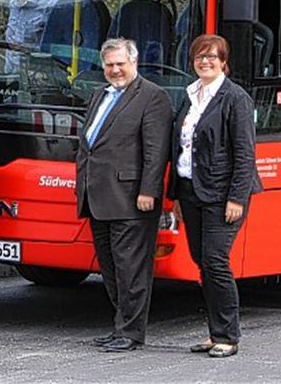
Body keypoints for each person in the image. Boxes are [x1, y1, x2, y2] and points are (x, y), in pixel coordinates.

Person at [168, 34, 262, 358]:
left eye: (212, 57)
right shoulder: (189, 96)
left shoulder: (236, 98)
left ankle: (228, 336)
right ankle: (214, 332)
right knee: (202, 262)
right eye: (199, 57)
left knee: (215, 261)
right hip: (190, 191)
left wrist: (237, 197)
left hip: (223, 195)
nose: (205, 62)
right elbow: (178, 148)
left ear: (224, 62)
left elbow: (245, 153)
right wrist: (176, 196)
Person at [76, 37, 172, 352]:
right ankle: (120, 326)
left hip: (131, 198)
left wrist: (149, 191)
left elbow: (156, 151)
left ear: (134, 62)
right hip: (97, 197)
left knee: (131, 269)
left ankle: (131, 332)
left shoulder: (152, 97)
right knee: (111, 267)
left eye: (121, 64)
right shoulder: (99, 95)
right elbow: (88, 145)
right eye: (109, 65)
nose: (115, 70)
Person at [0, 0, 59, 73]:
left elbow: (57, 48)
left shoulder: (52, 5)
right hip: (11, 77)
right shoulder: (13, 4)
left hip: (39, 79)